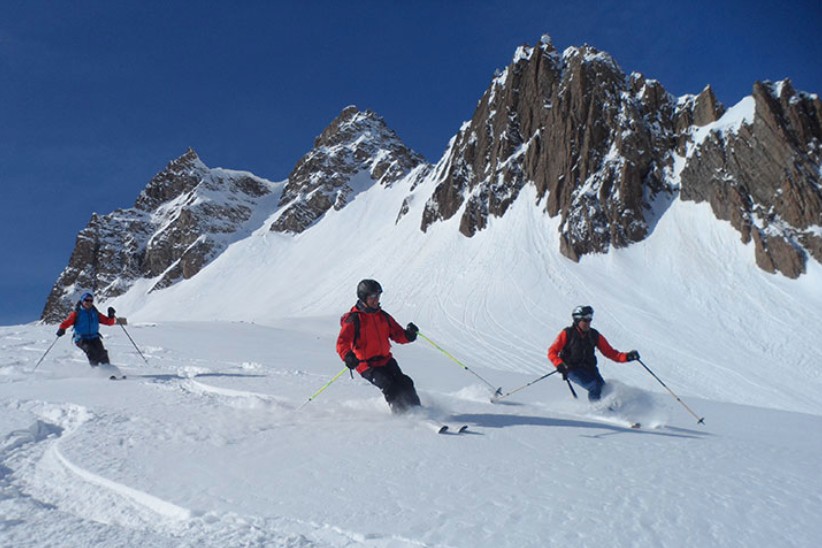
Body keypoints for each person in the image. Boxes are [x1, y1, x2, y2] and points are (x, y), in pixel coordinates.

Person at [336, 279, 421, 414]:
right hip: (366, 364)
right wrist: (347, 356)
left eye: (378, 296)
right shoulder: (354, 319)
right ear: (364, 298)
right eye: (372, 297)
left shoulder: (383, 316)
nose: (376, 300)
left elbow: (398, 334)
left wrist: (409, 335)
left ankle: (417, 411)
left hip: (386, 360)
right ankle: (402, 414)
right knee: (389, 385)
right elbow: (342, 342)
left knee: (405, 382)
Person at [547, 305, 640, 401]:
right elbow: (552, 352)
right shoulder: (567, 333)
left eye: (590, 319)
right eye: (585, 320)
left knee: (604, 390)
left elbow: (610, 353)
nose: (588, 322)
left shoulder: (594, 335)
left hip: (590, 368)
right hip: (572, 369)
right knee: (594, 386)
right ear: (577, 320)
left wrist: (628, 357)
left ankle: (610, 411)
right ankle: (596, 411)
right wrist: (559, 364)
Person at [56, 292, 117, 366]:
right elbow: (67, 322)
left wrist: (111, 316)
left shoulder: (95, 313)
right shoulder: (77, 313)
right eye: (86, 300)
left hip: (94, 337)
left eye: (91, 301)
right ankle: (96, 370)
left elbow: (108, 322)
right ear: (82, 301)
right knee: (91, 351)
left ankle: (108, 370)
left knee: (102, 353)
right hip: (81, 338)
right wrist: (62, 329)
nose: (89, 302)